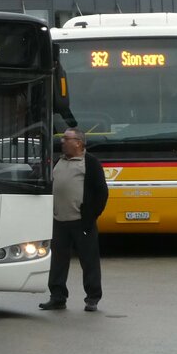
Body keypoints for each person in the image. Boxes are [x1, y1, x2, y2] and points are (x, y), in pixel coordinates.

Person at [40, 127, 108, 312]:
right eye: (63, 138)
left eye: (66, 138)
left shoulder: (90, 163)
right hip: (59, 220)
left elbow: (102, 192)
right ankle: (57, 297)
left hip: (81, 221)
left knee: (89, 261)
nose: (62, 142)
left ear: (79, 142)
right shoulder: (58, 162)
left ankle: (92, 298)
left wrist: (91, 215)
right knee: (58, 262)